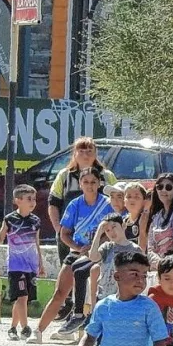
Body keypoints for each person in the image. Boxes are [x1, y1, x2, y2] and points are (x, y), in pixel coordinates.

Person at [28, 167, 114, 344]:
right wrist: (77, 247)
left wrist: (94, 245)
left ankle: (84, 326)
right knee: (60, 292)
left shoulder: (107, 204)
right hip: (76, 253)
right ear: (80, 183)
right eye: (86, 182)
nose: (89, 186)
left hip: (99, 254)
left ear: (99, 183)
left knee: (93, 293)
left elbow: (112, 230)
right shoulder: (75, 204)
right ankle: (38, 331)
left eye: (93, 182)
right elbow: (64, 233)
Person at [47, 137, 117, 321]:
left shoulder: (107, 176)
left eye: (90, 150)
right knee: (68, 276)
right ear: (74, 153)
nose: (85, 154)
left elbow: (118, 204)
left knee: (91, 277)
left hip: (101, 240)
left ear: (96, 153)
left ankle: (86, 316)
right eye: (81, 150)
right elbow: (53, 203)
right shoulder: (64, 176)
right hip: (70, 237)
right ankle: (68, 311)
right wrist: (58, 229)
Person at [0, 184, 44, 341]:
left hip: (31, 265)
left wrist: (40, 263)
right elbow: (0, 240)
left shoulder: (36, 221)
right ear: (18, 200)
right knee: (22, 297)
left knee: (22, 298)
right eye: (28, 199)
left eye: (34, 199)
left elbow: (36, 243)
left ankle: (12, 328)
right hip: (16, 266)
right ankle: (25, 327)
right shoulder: (10, 219)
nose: (32, 202)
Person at [87, 213, 140, 305]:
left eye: (114, 227)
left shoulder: (135, 249)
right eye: (107, 230)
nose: (111, 232)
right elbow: (93, 257)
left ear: (123, 225)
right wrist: (99, 232)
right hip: (104, 297)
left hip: (125, 299)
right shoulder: (107, 247)